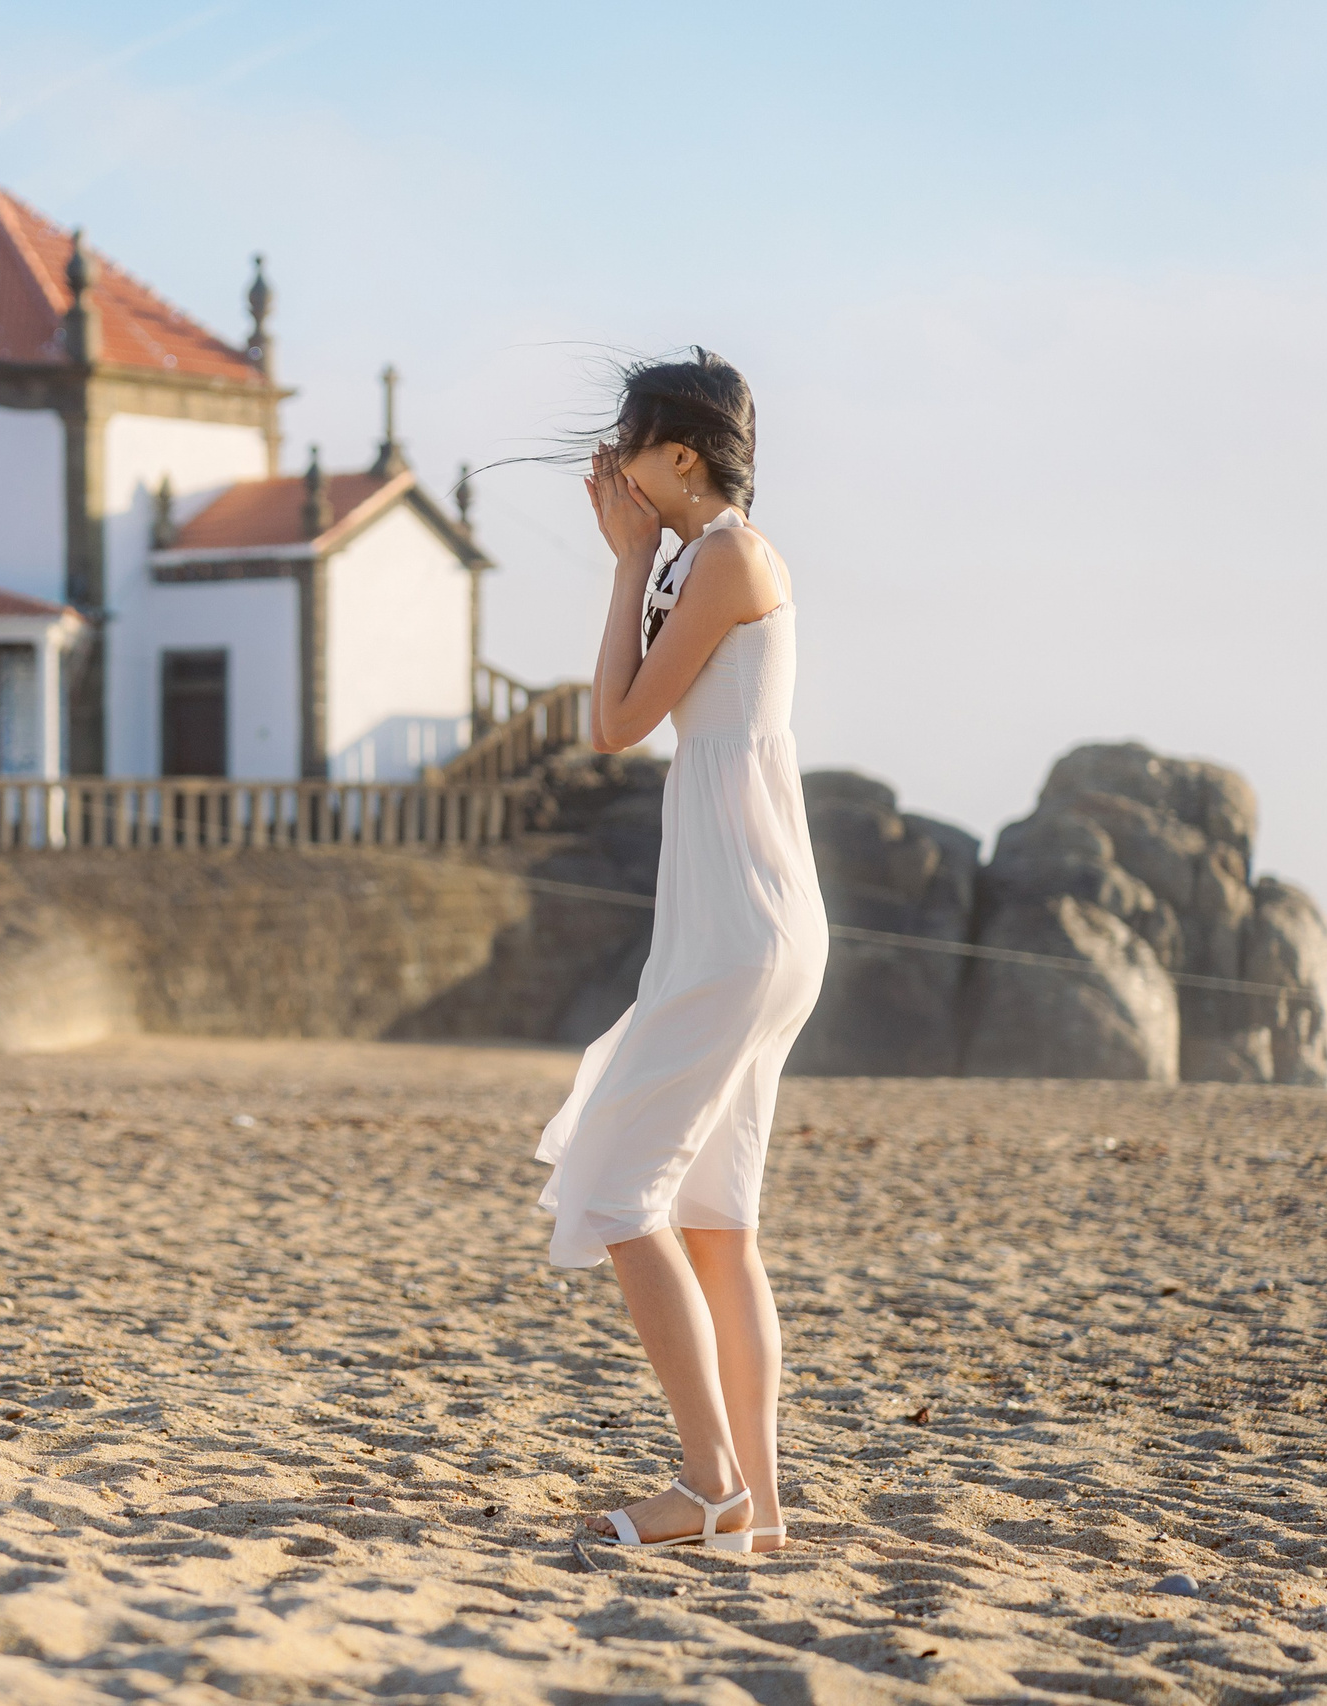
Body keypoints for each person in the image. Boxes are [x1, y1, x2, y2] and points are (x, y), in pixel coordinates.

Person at [534, 350, 827, 1556]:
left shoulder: (727, 558)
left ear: (682, 456)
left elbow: (610, 725)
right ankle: (749, 1507)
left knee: (614, 1189)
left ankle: (709, 1485)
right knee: (713, 1221)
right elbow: (624, 715)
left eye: (630, 441)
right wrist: (635, 562)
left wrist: (623, 564)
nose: (616, 460)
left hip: (740, 924)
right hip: (744, 916)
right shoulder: (708, 559)